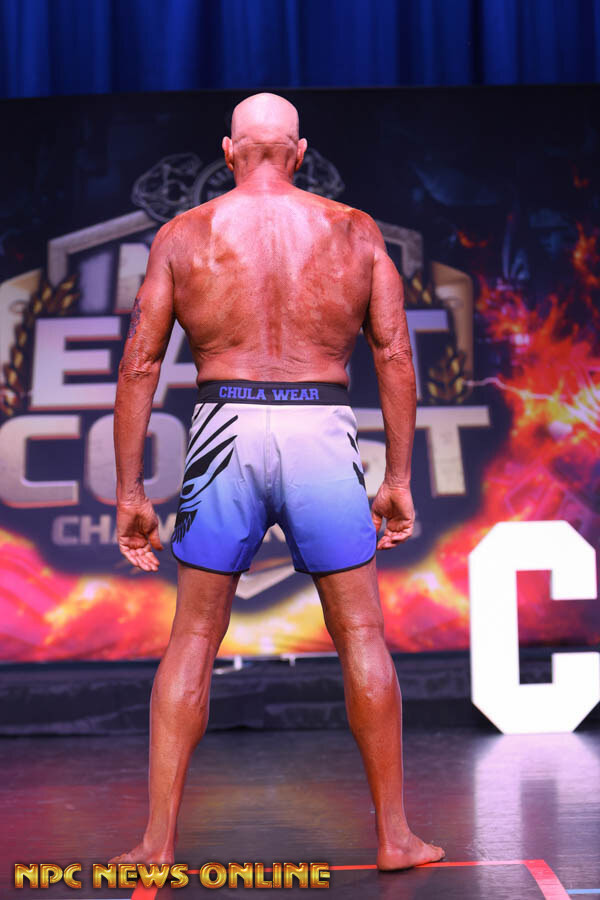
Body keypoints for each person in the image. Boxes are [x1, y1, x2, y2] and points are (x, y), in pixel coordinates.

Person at [111, 92, 444, 871]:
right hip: (319, 429)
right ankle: (394, 838)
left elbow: (139, 364)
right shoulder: (354, 230)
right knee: (360, 634)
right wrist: (398, 477)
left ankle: (157, 844)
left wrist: (130, 493)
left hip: (223, 431)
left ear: (229, 151)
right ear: (299, 152)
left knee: (194, 637)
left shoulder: (183, 234)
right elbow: (394, 355)